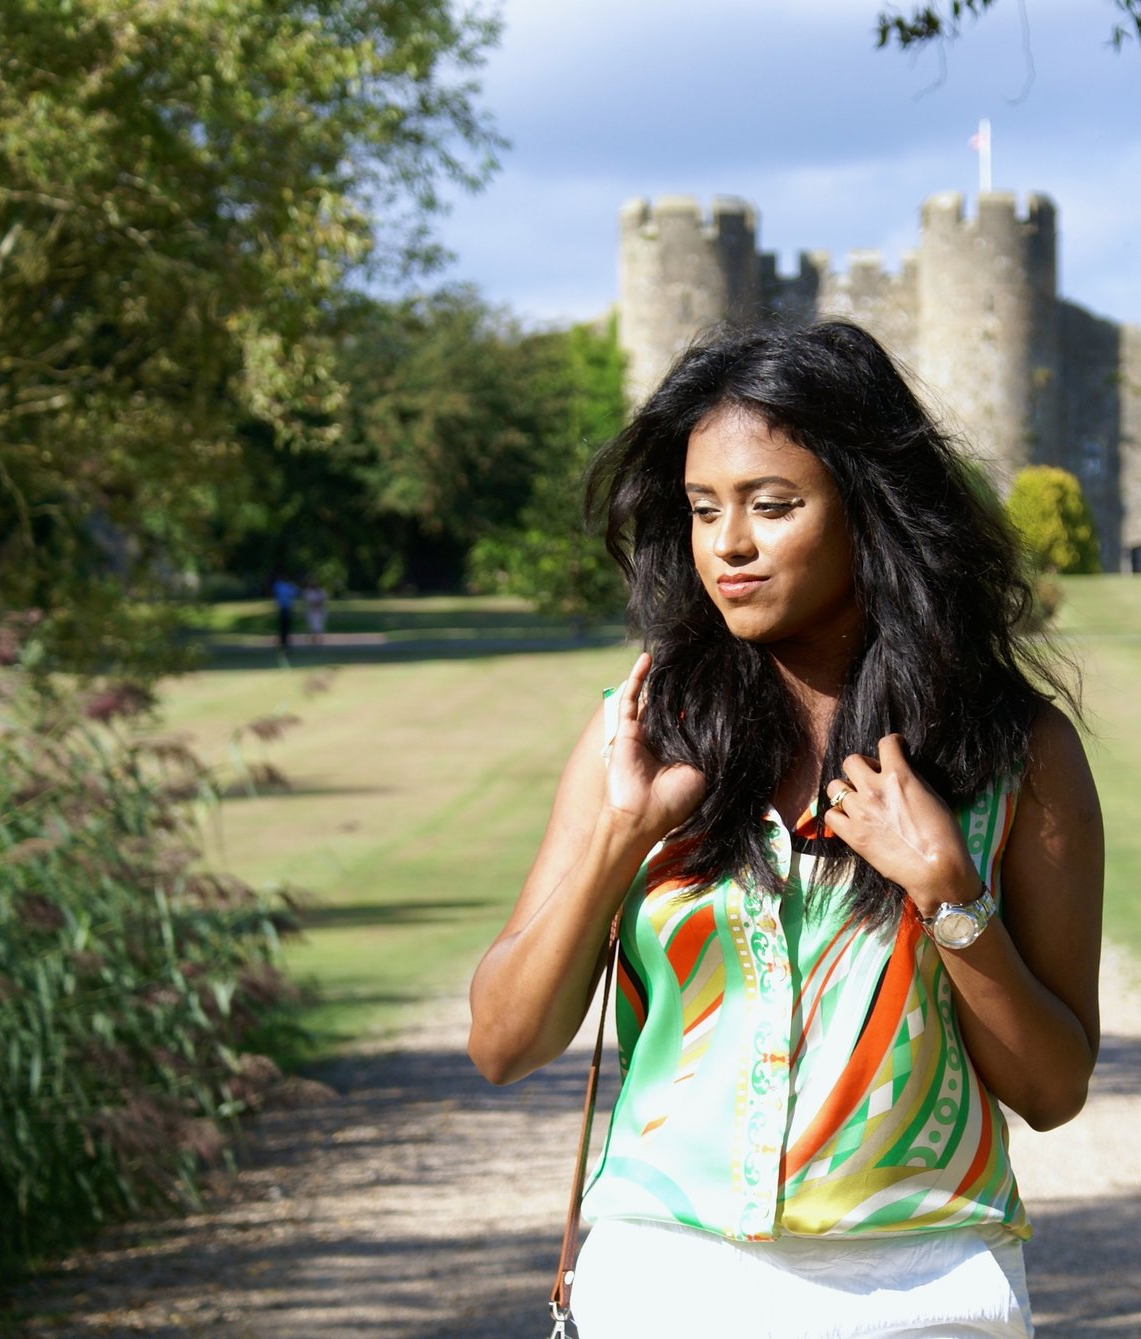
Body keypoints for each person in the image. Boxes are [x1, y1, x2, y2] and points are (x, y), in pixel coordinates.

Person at [466, 321, 1105, 1338]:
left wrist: (950, 899)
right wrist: (617, 839)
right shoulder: (641, 739)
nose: (727, 544)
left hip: (925, 1291)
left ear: (868, 511)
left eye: (772, 505)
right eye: (701, 509)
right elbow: (503, 1041)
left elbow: (1054, 1087)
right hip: (663, 1286)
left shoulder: (1011, 753)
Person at [269, 573, 298, 651]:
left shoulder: (279, 585)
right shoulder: (283, 585)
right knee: (285, 627)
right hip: (285, 608)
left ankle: (284, 642)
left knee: (284, 627)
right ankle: (284, 642)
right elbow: (294, 593)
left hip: (285, 608)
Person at [302, 580, 328, 646]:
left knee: (319, 626)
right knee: (312, 626)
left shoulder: (321, 592)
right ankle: (313, 640)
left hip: (319, 611)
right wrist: (315, 605)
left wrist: (318, 605)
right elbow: (309, 602)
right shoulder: (308, 592)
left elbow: (323, 600)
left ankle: (319, 640)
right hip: (312, 611)